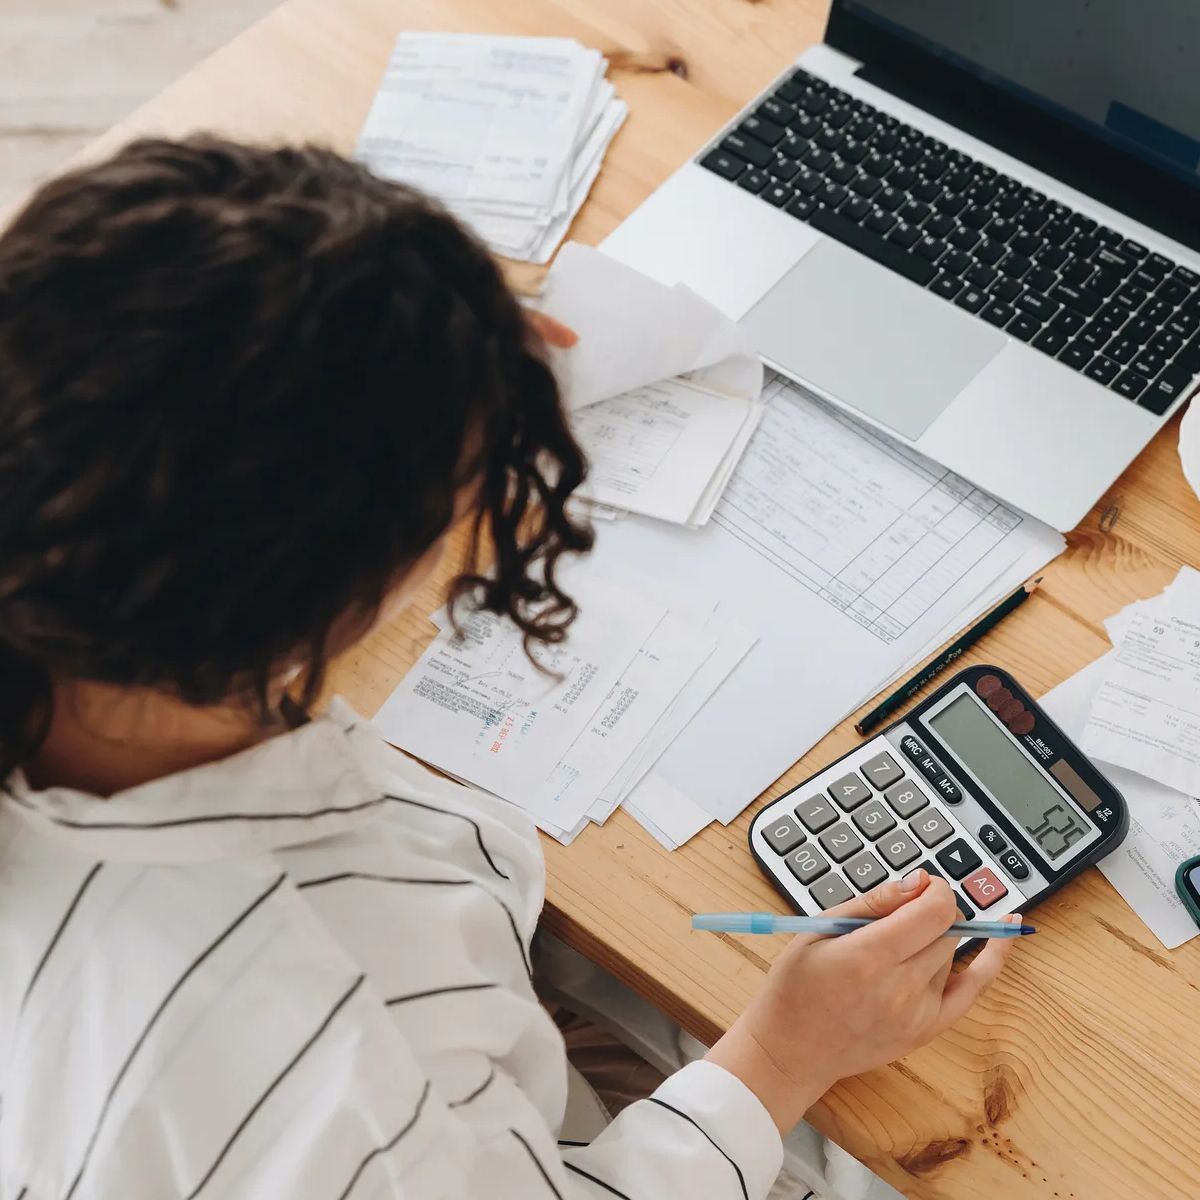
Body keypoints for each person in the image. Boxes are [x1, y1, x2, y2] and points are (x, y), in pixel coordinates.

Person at [0, 138, 1019, 1200]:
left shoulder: (100, 671)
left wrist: (435, 343)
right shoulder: (319, 1052)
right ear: (335, 582)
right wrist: (781, 1055)